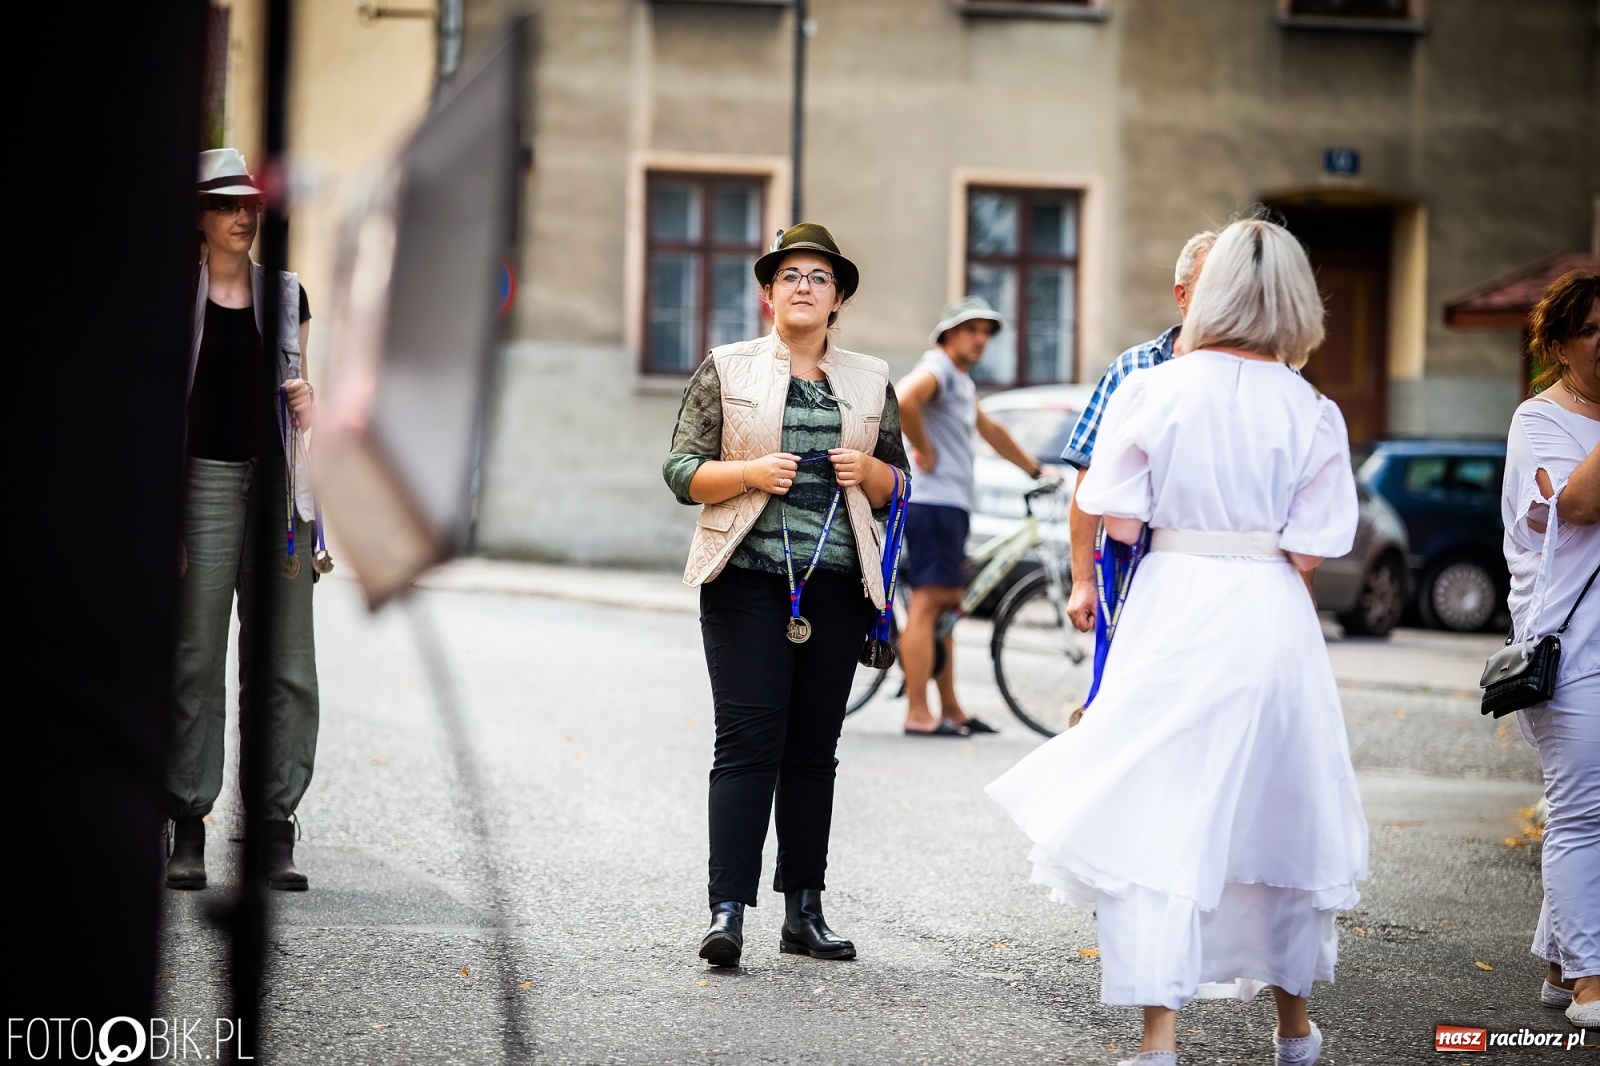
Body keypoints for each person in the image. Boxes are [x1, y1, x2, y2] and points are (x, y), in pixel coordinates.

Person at [986, 217, 1367, 1066]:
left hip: (1177, 600)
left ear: (1211, 290)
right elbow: (1315, 542)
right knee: (1282, 808)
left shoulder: (1154, 388)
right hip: (1270, 611)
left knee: (1163, 809)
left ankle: (1160, 1040)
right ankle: (1294, 1030)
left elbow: (1119, 515)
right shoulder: (1313, 409)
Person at [663, 223, 911, 968]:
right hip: (744, 582)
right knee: (747, 745)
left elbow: (901, 487)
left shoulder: (870, 380)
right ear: (768, 293)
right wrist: (748, 474)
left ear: (838, 299)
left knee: (812, 753)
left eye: (820, 277)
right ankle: (727, 910)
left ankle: (804, 911)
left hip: (836, 587)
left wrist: (866, 472)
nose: (805, 286)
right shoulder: (727, 368)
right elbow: (680, 470)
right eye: (791, 275)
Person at [165, 148, 320, 892]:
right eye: (226, 204)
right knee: (194, 657)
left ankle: (272, 827)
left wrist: (308, 407)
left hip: (281, 491)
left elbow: (303, 398)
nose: (241, 215)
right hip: (199, 487)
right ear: (198, 214)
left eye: (250, 204)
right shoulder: (174, 296)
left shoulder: (288, 295)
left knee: (285, 664)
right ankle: (188, 824)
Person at [1500, 269, 1600, 1029]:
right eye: (1593, 330)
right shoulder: (1540, 421)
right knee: (1579, 816)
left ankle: (1563, 964)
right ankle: (1594, 982)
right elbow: (1577, 505)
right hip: (1571, 649)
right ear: (1560, 345)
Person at [895, 296, 1051, 737]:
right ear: (948, 334)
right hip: (934, 503)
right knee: (928, 605)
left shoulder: (959, 381)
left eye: (986, 332)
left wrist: (1036, 469)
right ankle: (918, 713)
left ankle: (951, 709)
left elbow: (991, 431)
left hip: (949, 505)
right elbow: (904, 400)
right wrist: (924, 449)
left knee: (945, 606)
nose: (981, 339)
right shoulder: (939, 369)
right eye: (971, 329)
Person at [1062, 231, 1217, 633]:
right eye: (1212, 285)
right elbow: (1088, 477)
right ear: (1182, 295)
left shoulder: (1258, 375)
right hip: (1135, 571)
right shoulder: (1134, 369)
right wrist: (1082, 581)